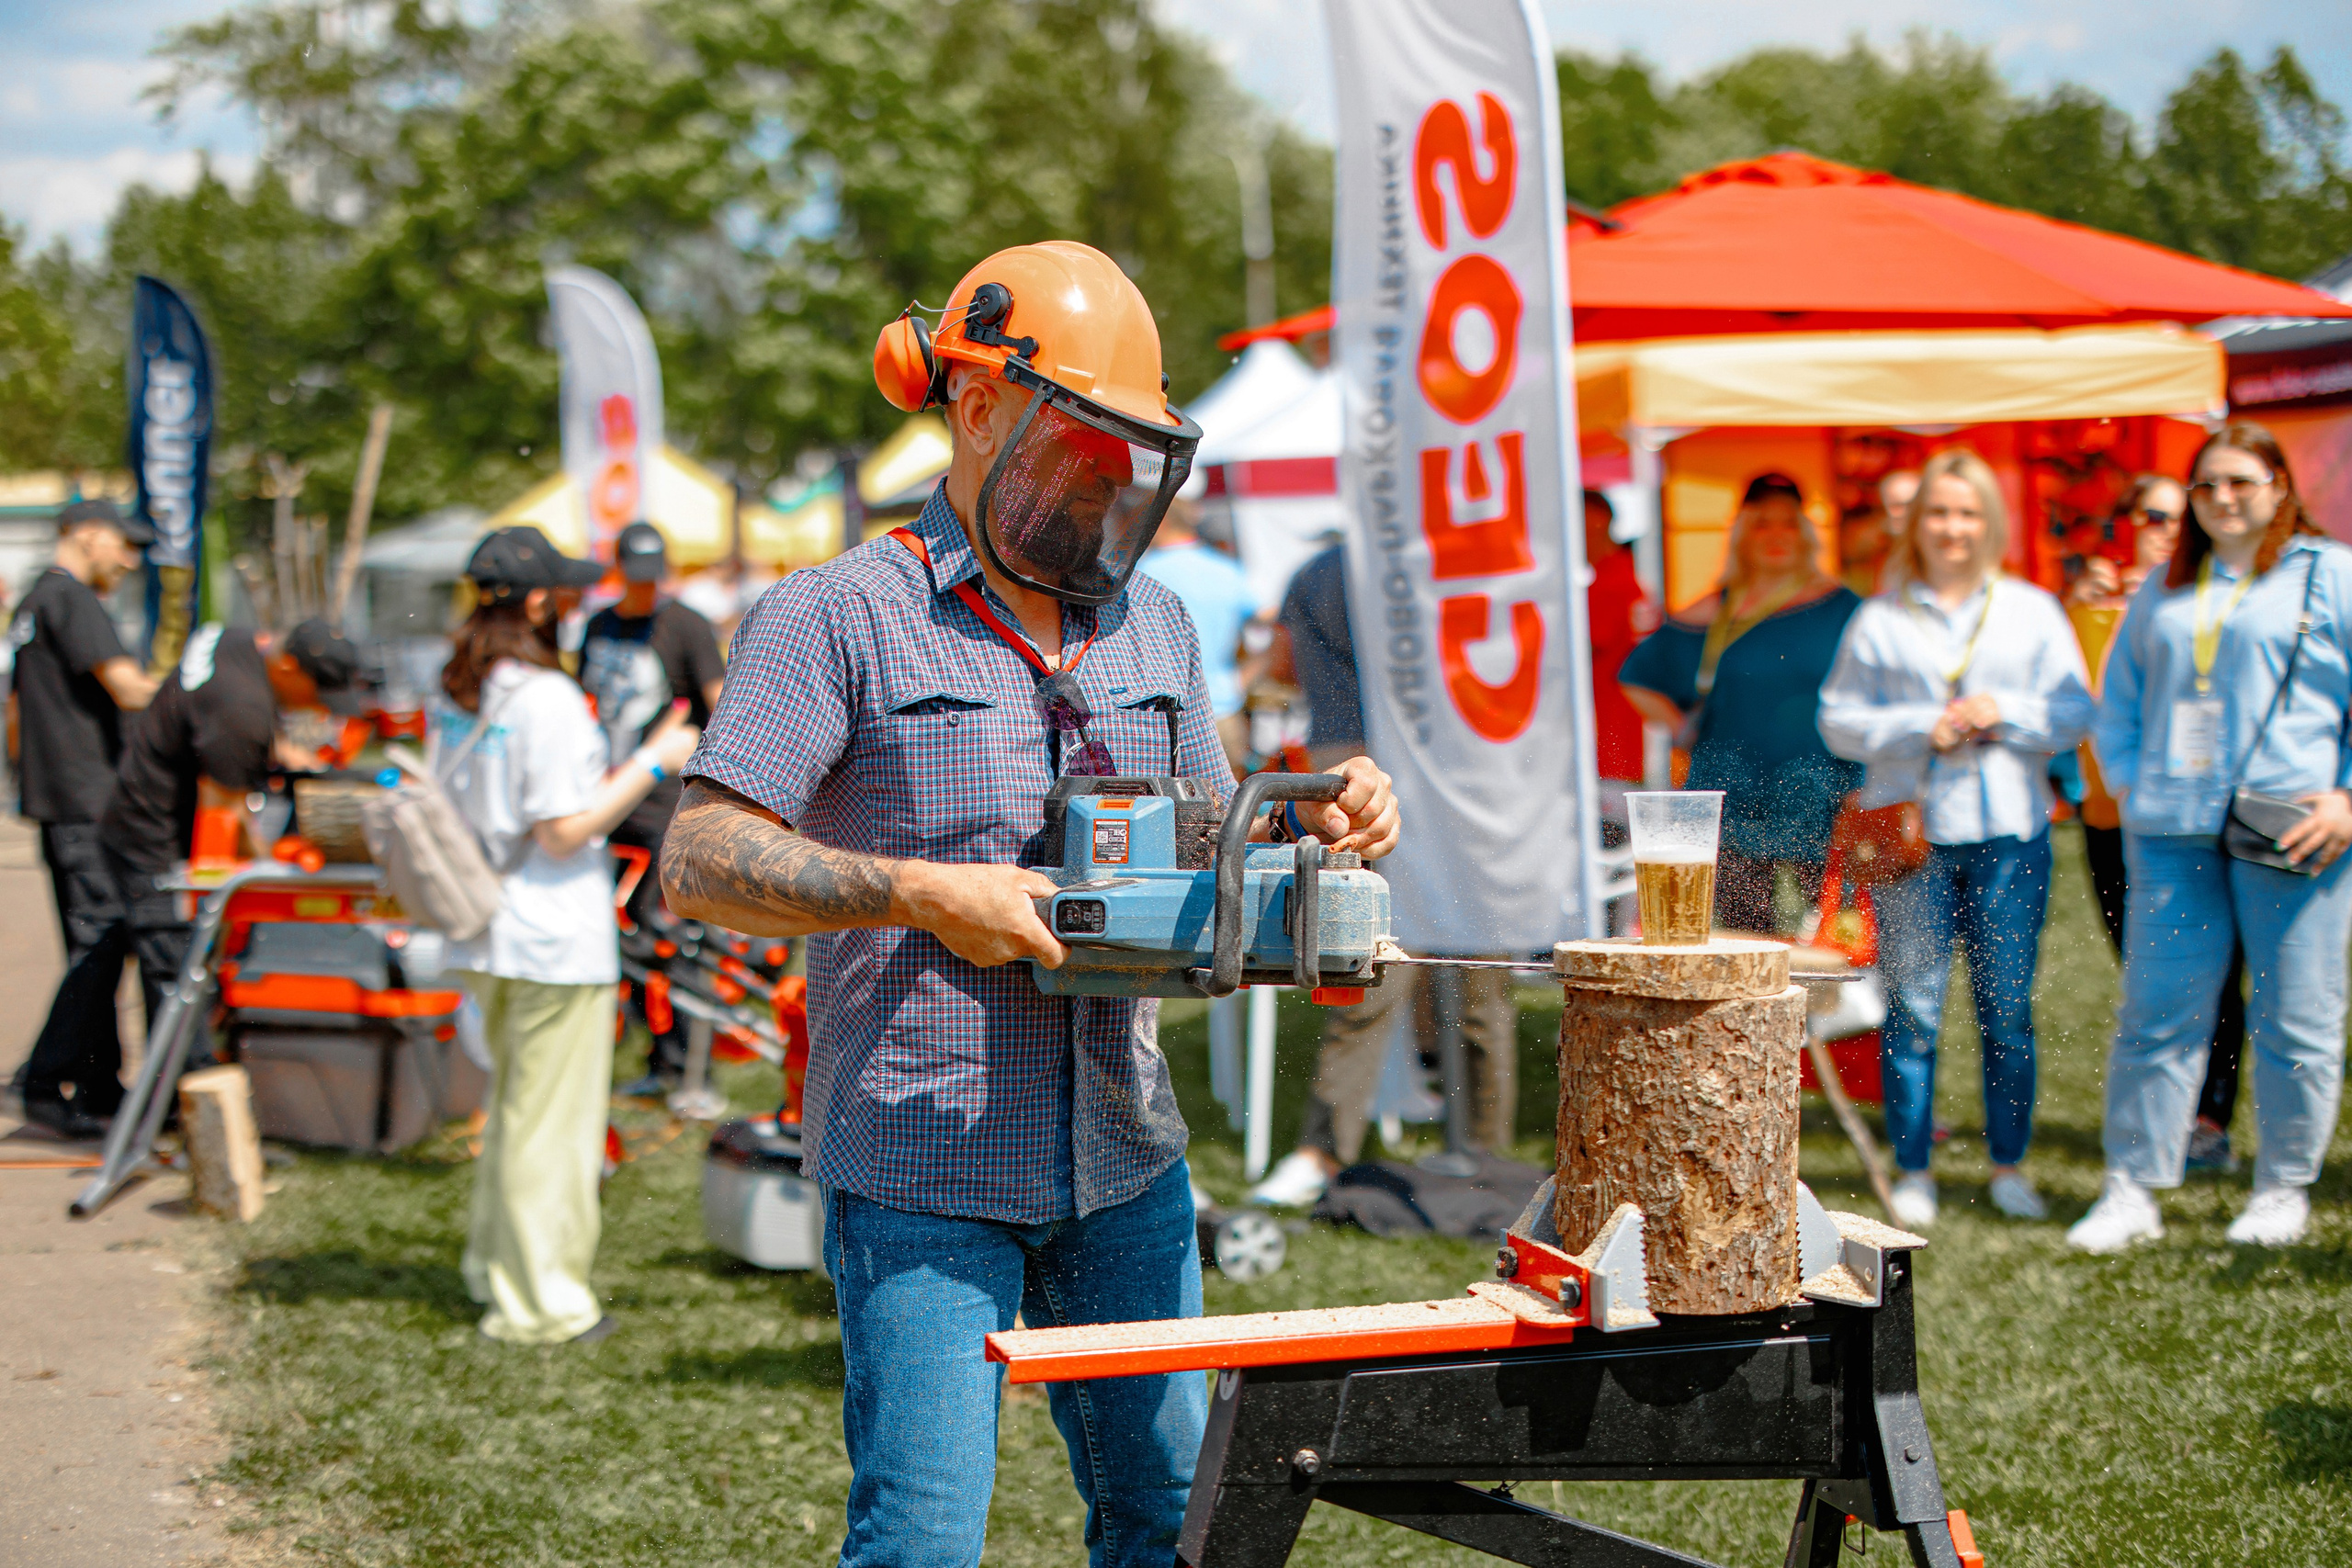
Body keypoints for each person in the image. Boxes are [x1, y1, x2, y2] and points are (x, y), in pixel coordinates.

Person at [660, 243, 1398, 1566]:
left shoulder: (1155, 626)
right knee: (924, 1539)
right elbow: (701, 855)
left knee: (1174, 1519)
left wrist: (1317, 809)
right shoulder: (835, 615)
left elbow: (1210, 835)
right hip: (923, 1162)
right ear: (979, 404)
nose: (1112, 483)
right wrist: (922, 891)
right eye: (1083, 443)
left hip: (1124, 1154)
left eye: (1132, 454)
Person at [2072, 423, 2352, 1253]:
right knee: (2158, 1011)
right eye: (2206, 485)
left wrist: (2346, 796)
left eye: (2241, 480)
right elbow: (2116, 696)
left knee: (2297, 1010)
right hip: (2170, 831)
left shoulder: (2329, 573)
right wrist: (2128, 778)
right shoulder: (2166, 583)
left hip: (2293, 825)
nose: (2223, 498)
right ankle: (2132, 1185)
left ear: (2279, 485)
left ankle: (2283, 1185)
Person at [433, 525, 700, 1344]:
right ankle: (543, 1302)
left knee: (518, 1112)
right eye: (568, 591)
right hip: (551, 933)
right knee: (551, 1127)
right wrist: (656, 761)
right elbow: (561, 828)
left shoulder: (459, 689)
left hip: (488, 930)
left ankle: (497, 1270)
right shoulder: (542, 696)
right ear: (542, 602)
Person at [1819, 450, 2094, 1228]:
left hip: (2009, 833)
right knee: (1913, 1004)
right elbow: (1837, 719)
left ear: (1990, 523)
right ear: (1918, 522)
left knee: (2007, 1007)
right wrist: (1918, 726)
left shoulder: (2031, 610)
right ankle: (1914, 1167)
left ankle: (2009, 1163)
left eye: (1968, 512)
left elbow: (2076, 712)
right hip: (1913, 836)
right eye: (1939, 512)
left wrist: (2001, 710)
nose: (1952, 527)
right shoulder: (1880, 617)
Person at [1247, 540, 1519, 1208]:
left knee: (1370, 971)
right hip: (1439, 781)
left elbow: (1283, 665)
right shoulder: (1455, 565)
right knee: (1462, 981)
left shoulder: (1315, 572)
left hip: (1357, 770)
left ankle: (1326, 1150)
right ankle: (1484, 1150)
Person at [2068, 477, 2250, 1173]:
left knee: (2217, 971)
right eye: (2150, 516)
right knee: (2146, 969)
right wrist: (2086, 611)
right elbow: (2083, 701)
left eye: (2177, 517)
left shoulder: (2220, 600)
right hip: (2114, 813)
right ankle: (2166, 1117)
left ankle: (2209, 1117)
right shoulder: (2094, 608)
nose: (2164, 529)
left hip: (2203, 818)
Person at [92, 618, 368, 1058]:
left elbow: (214, 719)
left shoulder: (237, 642)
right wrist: (273, 867)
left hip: (137, 802)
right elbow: (228, 812)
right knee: (174, 964)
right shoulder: (242, 711)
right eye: (316, 693)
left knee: (104, 955)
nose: (317, 708)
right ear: (288, 667)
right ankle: (184, 1091)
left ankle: (57, 1077)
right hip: (151, 830)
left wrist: (275, 751)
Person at [1620, 473, 1863, 933]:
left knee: (1829, 946)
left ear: (1806, 535)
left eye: (1788, 524)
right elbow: (1637, 677)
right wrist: (1680, 729)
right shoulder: (1714, 613)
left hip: (1823, 799)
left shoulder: (1845, 609)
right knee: (1737, 945)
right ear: (1741, 535)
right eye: (1761, 524)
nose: (1775, 535)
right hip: (1729, 801)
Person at [8, 499, 161, 1138]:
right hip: (84, 798)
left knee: (96, 940)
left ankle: (98, 1083)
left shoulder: (35, 601)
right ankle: (46, 1080)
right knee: (106, 937)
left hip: (62, 796)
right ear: (86, 534)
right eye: (122, 545)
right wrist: (194, 696)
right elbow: (127, 687)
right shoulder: (69, 598)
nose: (129, 560)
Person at [580, 521, 727, 1096]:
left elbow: (719, 702)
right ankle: (652, 1058)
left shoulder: (686, 624)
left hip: (663, 804)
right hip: (607, 798)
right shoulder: (600, 625)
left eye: (652, 577)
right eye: (633, 577)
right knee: (627, 939)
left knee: (674, 936)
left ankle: (691, 1070)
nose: (643, 589)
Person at [1136, 498, 1265, 771]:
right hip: (1223, 709)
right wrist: (1242, 679)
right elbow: (1274, 622)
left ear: (1159, 522)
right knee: (1232, 809)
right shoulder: (1226, 570)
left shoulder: (1142, 574)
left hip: (1163, 717)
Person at [1584, 490, 1656, 797]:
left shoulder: (1612, 579)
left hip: (1612, 737)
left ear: (1597, 522)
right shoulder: (1617, 574)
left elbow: (1585, 647)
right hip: (1617, 735)